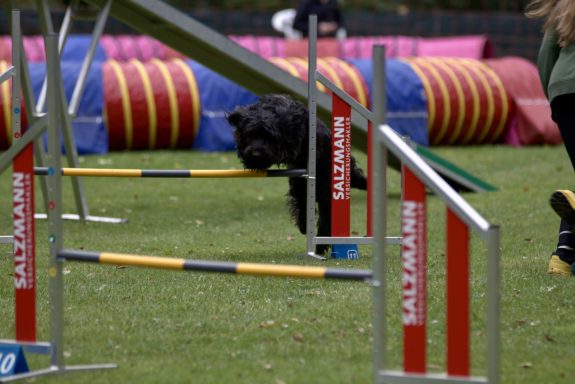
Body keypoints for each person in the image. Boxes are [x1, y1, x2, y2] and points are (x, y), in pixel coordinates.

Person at [526, 0, 575, 275]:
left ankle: (562, 259)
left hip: (563, 91)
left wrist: (554, 101)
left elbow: (546, 55)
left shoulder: (566, 5)